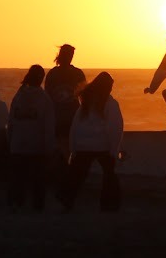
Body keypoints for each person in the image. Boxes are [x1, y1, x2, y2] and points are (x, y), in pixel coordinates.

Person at [60, 71, 123, 212]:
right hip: (103, 146)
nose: (111, 88)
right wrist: (114, 150)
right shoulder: (111, 104)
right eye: (111, 86)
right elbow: (115, 128)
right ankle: (109, 205)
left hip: (83, 145)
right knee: (109, 175)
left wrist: (73, 147)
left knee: (77, 175)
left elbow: (75, 126)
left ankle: (66, 199)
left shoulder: (86, 103)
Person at [7, 64, 55, 210]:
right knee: (38, 178)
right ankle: (37, 206)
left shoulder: (18, 96)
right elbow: (49, 126)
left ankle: (17, 204)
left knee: (18, 178)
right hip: (37, 147)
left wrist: (10, 142)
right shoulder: (44, 99)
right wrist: (49, 148)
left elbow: (11, 122)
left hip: (18, 145)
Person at [45, 44, 86, 159]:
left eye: (72, 55)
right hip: (58, 120)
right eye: (69, 54)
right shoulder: (53, 74)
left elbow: (85, 97)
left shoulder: (77, 74)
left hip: (72, 118)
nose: (70, 57)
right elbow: (48, 97)